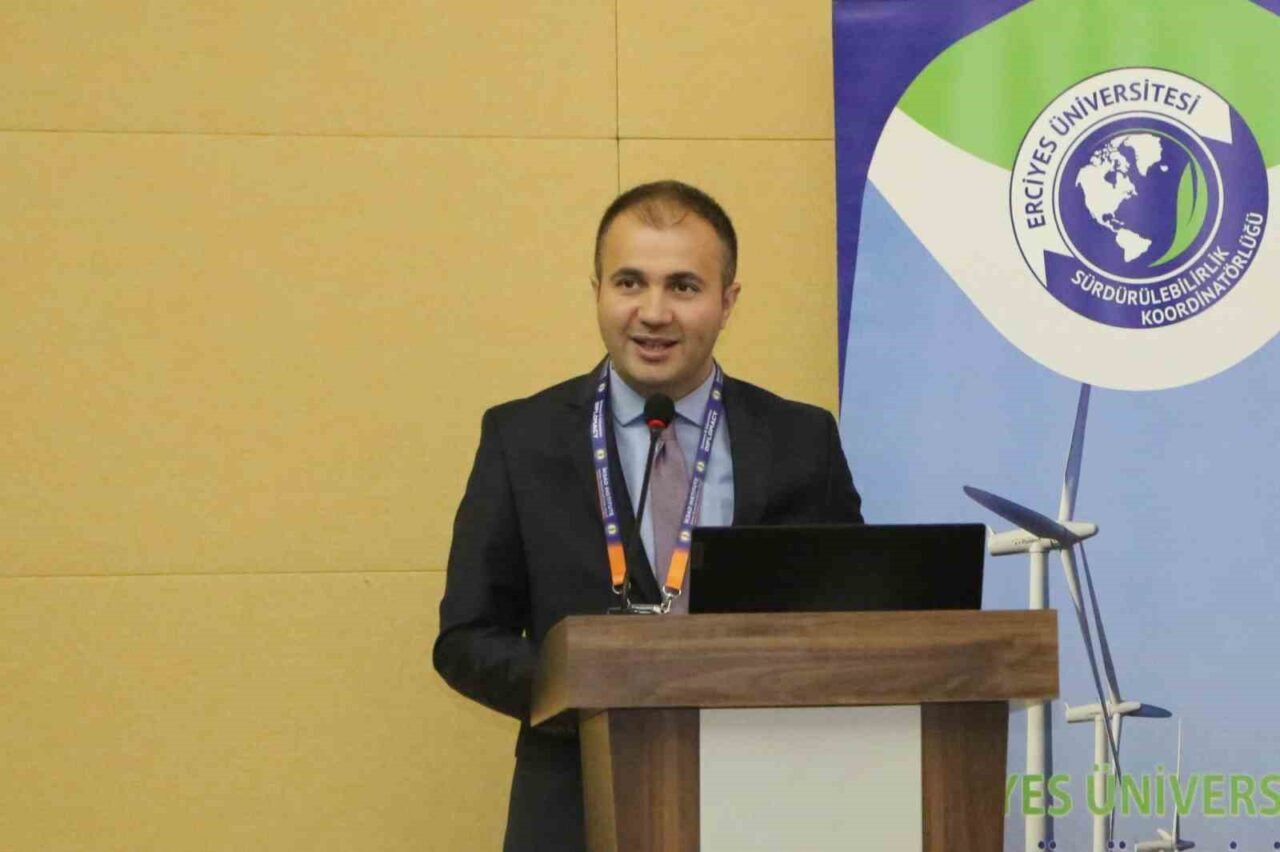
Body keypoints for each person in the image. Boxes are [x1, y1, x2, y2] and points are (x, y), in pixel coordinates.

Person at [433, 180, 863, 851]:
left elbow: (856, 621)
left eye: (683, 286)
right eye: (629, 282)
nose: (653, 313)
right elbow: (465, 637)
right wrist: (587, 685)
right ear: (597, 291)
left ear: (728, 301)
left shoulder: (801, 440)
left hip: (768, 797)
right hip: (576, 804)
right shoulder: (522, 439)